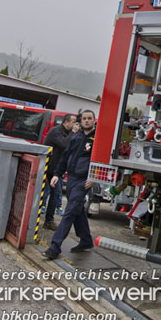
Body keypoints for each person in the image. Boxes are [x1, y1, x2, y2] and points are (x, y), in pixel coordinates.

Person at [44, 110, 97, 259]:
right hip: (72, 178)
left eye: (89, 119)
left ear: (94, 120)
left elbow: (102, 161)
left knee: (69, 211)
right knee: (77, 209)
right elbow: (65, 156)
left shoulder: (97, 139)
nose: (86, 121)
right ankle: (86, 240)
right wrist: (56, 174)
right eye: (84, 118)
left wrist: (95, 178)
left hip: (84, 181)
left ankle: (55, 247)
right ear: (80, 120)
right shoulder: (76, 137)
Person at [42, 115, 78, 230]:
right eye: (73, 122)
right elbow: (65, 144)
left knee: (56, 194)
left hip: (56, 170)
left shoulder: (68, 133)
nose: (74, 124)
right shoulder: (55, 131)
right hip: (46, 168)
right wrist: (73, 133)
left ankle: (49, 220)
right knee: (42, 194)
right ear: (66, 122)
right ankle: (35, 218)